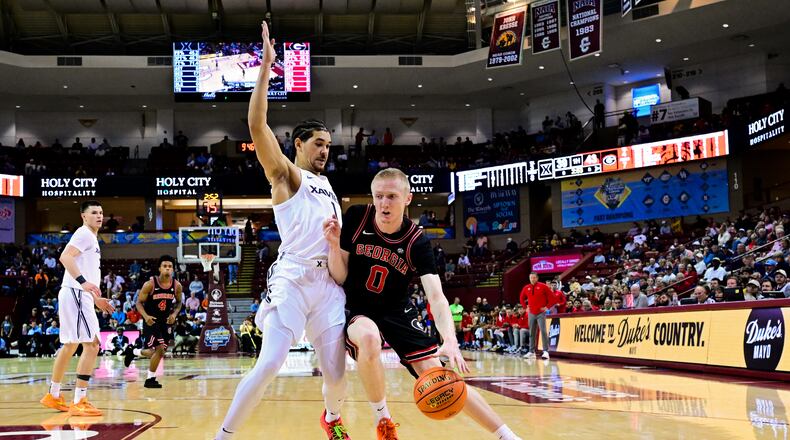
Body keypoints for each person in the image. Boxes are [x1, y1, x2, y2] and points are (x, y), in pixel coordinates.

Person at [216, 21, 349, 440]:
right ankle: (224, 435)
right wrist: (265, 70)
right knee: (270, 363)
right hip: (292, 278)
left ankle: (331, 419)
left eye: (328, 144)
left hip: (327, 283)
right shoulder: (287, 176)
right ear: (299, 145)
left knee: (336, 373)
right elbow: (257, 126)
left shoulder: (328, 186)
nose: (324, 150)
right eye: (317, 144)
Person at [323, 168, 522, 440]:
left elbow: (436, 297)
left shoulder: (417, 241)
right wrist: (334, 246)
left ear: (407, 198)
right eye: (379, 196)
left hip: (397, 310)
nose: (384, 203)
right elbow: (340, 275)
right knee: (368, 338)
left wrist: (449, 339)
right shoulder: (358, 217)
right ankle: (384, 420)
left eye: (392, 196)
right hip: (357, 307)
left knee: (441, 379)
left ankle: (507, 436)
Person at [40, 200, 115, 416]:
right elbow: (65, 257)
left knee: (71, 345)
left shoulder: (90, 237)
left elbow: (85, 271)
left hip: (76, 294)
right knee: (91, 345)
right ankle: (80, 399)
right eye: (94, 212)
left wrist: (95, 298)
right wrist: (83, 284)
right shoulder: (83, 234)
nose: (99, 216)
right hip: (76, 292)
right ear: (83, 216)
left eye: (101, 212)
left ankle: (53, 395)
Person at [123, 255, 183, 389]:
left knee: (158, 352)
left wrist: (174, 314)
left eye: (170, 267)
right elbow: (138, 302)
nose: (167, 269)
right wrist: (145, 316)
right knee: (159, 350)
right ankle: (150, 379)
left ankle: (133, 352)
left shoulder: (177, 285)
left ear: (173, 269)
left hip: (166, 321)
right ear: (160, 268)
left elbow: (179, 303)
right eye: (165, 266)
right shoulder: (150, 284)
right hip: (151, 320)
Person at [519, 272, 554, 359]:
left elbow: (552, 298)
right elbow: (521, 298)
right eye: (531, 278)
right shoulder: (526, 287)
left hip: (541, 313)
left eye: (534, 278)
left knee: (543, 331)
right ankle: (531, 351)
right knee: (531, 332)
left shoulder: (543, 286)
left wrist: (547, 307)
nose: (532, 279)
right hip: (531, 313)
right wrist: (525, 307)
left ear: (537, 278)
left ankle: (545, 351)